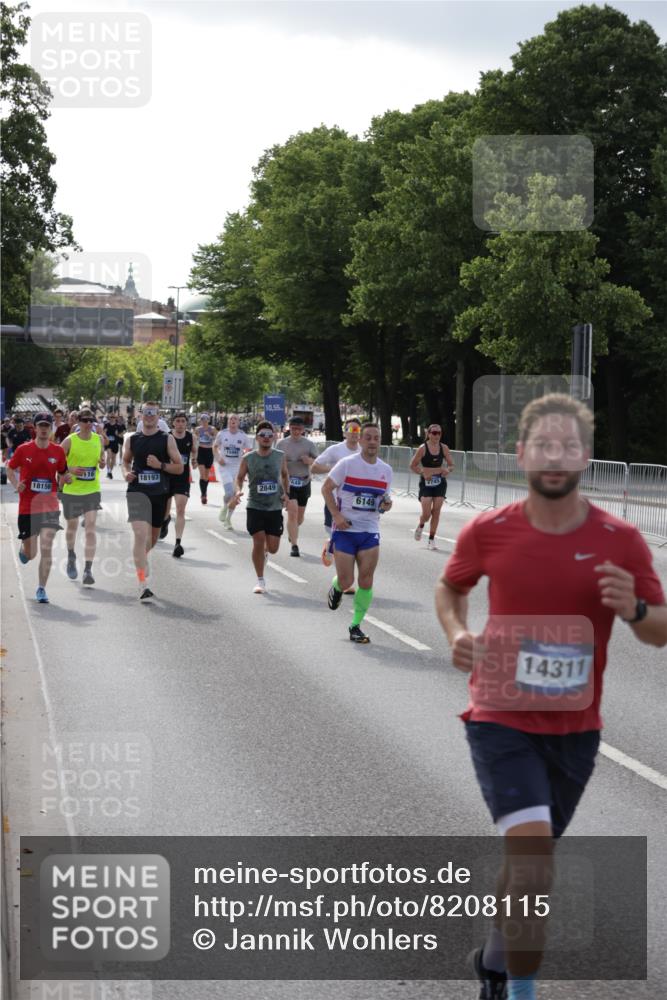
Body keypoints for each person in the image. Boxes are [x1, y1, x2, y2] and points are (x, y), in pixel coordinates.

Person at [435, 393, 667, 1000]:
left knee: (527, 867)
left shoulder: (620, 540)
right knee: (535, 858)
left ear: (586, 456)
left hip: (576, 729)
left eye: (568, 446)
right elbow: (450, 588)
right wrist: (458, 633)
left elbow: (659, 630)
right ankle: (520, 992)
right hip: (498, 717)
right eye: (544, 445)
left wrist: (637, 608)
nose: (556, 456)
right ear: (521, 455)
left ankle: (492, 958)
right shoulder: (491, 528)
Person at [321, 422, 393, 643]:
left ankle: (356, 625)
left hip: (370, 530)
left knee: (366, 580)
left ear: (379, 442)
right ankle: (337, 587)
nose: (372, 442)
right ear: (360, 441)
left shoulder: (385, 470)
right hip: (345, 530)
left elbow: (382, 501)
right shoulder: (347, 464)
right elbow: (326, 488)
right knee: (346, 580)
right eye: (368, 437)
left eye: (376, 438)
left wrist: (386, 505)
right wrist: (337, 516)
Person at [122, 401, 183, 600]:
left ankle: (141, 557)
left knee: (152, 539)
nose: (149, 416)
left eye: (153, 413)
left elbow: (179, 467)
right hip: (137, 492)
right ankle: (142, 583)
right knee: (140, 535)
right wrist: (125, 473)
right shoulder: (132, 439)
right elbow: (125, 461)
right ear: (141, 415)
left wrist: (160, 465)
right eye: (146, 412)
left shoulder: (167, 439)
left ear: (158, 416)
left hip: (159, 494)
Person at [7, 412, 71, 603]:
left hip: (49, 505)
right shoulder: (23, 449)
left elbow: (63, 473)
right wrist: (15, 484)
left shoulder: (58, 451)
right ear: (35, 428)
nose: (44, 429)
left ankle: (41, 589)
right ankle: (24, 549)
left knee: (47, 547)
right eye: (40, 425)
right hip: (27, 507)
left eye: (47, 425)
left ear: (51, 428)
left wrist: (65, 480)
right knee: (31, 554)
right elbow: (10, 468)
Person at [228, 421, 289, 594]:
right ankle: (260, 580)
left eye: (270, 435)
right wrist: (238, 492)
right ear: (257, 438)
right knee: (258, 541)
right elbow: (239, 478)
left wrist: (286, 493)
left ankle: (265, 553)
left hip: (274, 506)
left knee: (273, 548)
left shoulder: (280, 456)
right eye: (262, 435)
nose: (266, 438)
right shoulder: (249, 458)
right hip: (255, 505)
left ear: (274, 438)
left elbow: (285, 475)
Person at [59, 406, 105, 586]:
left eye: (90, 421)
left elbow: (100, 463)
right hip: (72, 491)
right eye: (84, 420)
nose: (87, 424)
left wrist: (101, 463)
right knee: (72, 527)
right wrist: (68, 470)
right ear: (78, 422)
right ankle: (71, 555)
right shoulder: (70, 441)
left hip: (92, 490)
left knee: (91, 527)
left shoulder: (98, 439)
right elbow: (56, 460)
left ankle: (88, 569)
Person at [311, 418, 362, 571]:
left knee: (349, 539)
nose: (354, 434)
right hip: (334, 498)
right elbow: (314, 468)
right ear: (345, 433)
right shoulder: (335, 450)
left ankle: (344, 576)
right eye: (351, 430)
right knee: (336, 534)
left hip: (355, 501)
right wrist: (334, 470)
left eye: (357, 431)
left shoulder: (363, 450)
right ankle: (331, 543)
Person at [275, 415, 319, 556]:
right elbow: (274, 461)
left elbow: (318, 462)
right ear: (289, 428)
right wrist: (283, 463)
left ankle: (292, 532)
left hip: (304, 481)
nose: (296, 432)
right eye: (293, 429)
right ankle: (294, 546)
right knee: (292, 513)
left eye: (299, 429)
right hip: (288, 482)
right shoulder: (282, 444)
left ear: (303, 430)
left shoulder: (309, 444)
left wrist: (309, 461)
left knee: (299, 517)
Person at [410, 424, 455, 550]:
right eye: (434, 433)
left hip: (440, 482)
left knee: (436, 511)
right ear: (429, 434)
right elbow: (412, 465)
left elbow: (451, 465)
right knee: (426, 513)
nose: (436, 435)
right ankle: (421, 523)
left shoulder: (444, 448)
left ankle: (431, 539)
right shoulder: (422, 448)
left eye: (439, 433)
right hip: (426, 483)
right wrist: (423, 473)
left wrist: (448, 470)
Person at [213, 414, 254, 529]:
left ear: (239, 422)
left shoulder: (243, 435)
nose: (233, 421)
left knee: (235, 494)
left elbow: (249, 449)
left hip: (238, 467)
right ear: (228, 422)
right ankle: (225, 506)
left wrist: (246, 457)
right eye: (231, 419)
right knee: (229, 492)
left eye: (235, 419)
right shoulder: (222, 433)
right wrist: (218, 458)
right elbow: (215, 447)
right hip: (224, 466)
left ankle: (228, 520)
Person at [162, 411, 194, 557]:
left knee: (181, 509)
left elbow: (195, 451)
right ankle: (165, 520)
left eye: (183, 421)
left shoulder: (191, 437)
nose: (181, 424)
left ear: (186, 423)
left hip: (182, 478)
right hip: (168, 477)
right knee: (165, 510)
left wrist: (195, 459)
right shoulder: (166, 437)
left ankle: (178, 543)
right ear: (173, 423)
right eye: (178, 421)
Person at [193, 413, 215, 505]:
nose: (204, 422)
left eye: (205, 420)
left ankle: (204, 492)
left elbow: (217, 439)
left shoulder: (212, 429)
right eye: (202, 420)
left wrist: (210, 436)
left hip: (209, 452)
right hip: (201, 451)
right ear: (200, 421)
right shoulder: (198, 429)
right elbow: (194, 440)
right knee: (202, 475)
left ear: (208, 421)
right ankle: (203, 495)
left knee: (206, 476)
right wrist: (193, 457)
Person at [103, 412, 122, 478]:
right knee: (109, 456)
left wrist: (117, 434)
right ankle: (108, 471)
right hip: (108, 443)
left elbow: (121, 435)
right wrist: (105, 437)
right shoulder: (107, 425)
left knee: (113, 459)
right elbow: (103, 433)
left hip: (115, 443)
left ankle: (110, 472)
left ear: (115, 418)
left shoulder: (118, 426)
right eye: (111, 417)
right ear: (109, 418)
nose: (112, 418)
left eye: (113, 417)